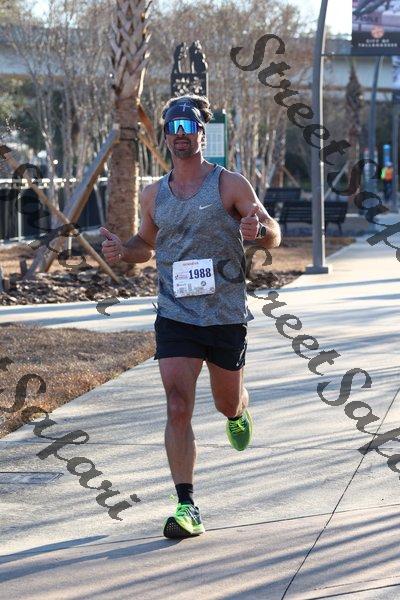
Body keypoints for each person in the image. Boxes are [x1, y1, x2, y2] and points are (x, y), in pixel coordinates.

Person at [101, 94, 281, 539]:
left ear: (202, 133)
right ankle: (187, 506)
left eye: (188, 127)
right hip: (176, 314)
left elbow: (273, 233)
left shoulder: (229, 184)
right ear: (165, 135)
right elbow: (145, 245)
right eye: (173, 127)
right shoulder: (153, 194)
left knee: (225, 403)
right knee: (177, 404)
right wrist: (123, 250)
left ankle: (239, 412)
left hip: (224, 315)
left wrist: (259, 230)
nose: (180, 134)